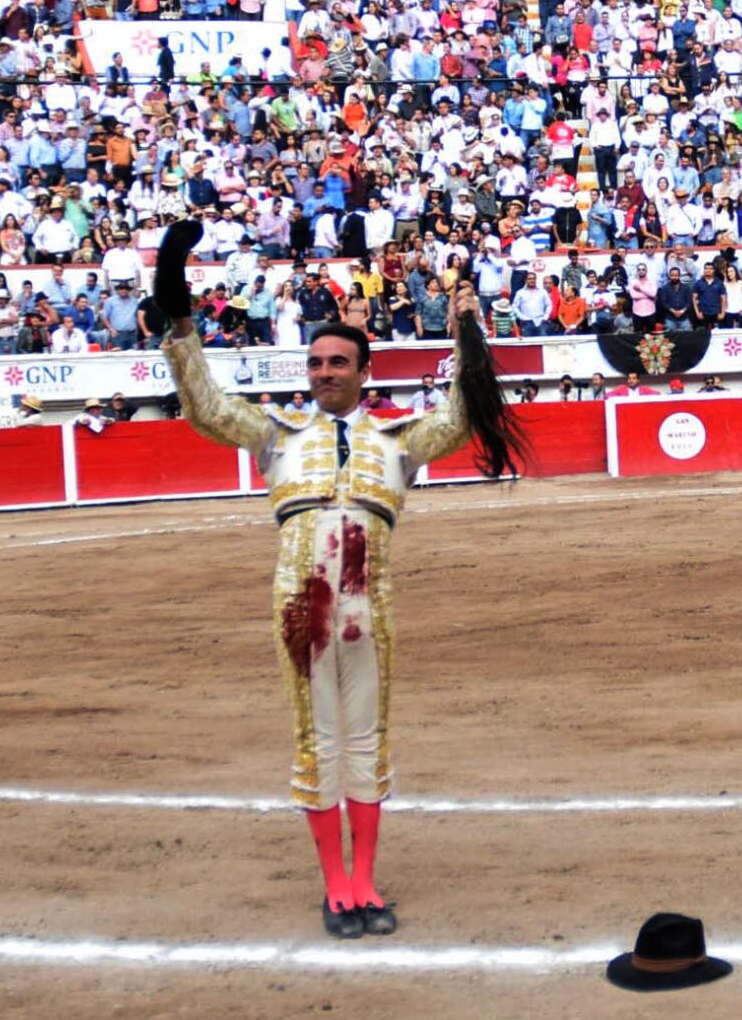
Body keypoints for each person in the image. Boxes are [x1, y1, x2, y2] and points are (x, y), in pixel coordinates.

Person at [154, 220, 525, 941]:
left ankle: (366, 881)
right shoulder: (275, 434)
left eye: (336, 362)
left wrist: (468, 333)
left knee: (367, 742)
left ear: (363, 371)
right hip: (300, 609)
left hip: (368, 610)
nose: (322, 372)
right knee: (315, 740)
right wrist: (179, 321)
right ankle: (334, 886)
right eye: (316, 362)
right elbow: (205, 406)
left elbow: (464, 414)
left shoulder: (401, 440)